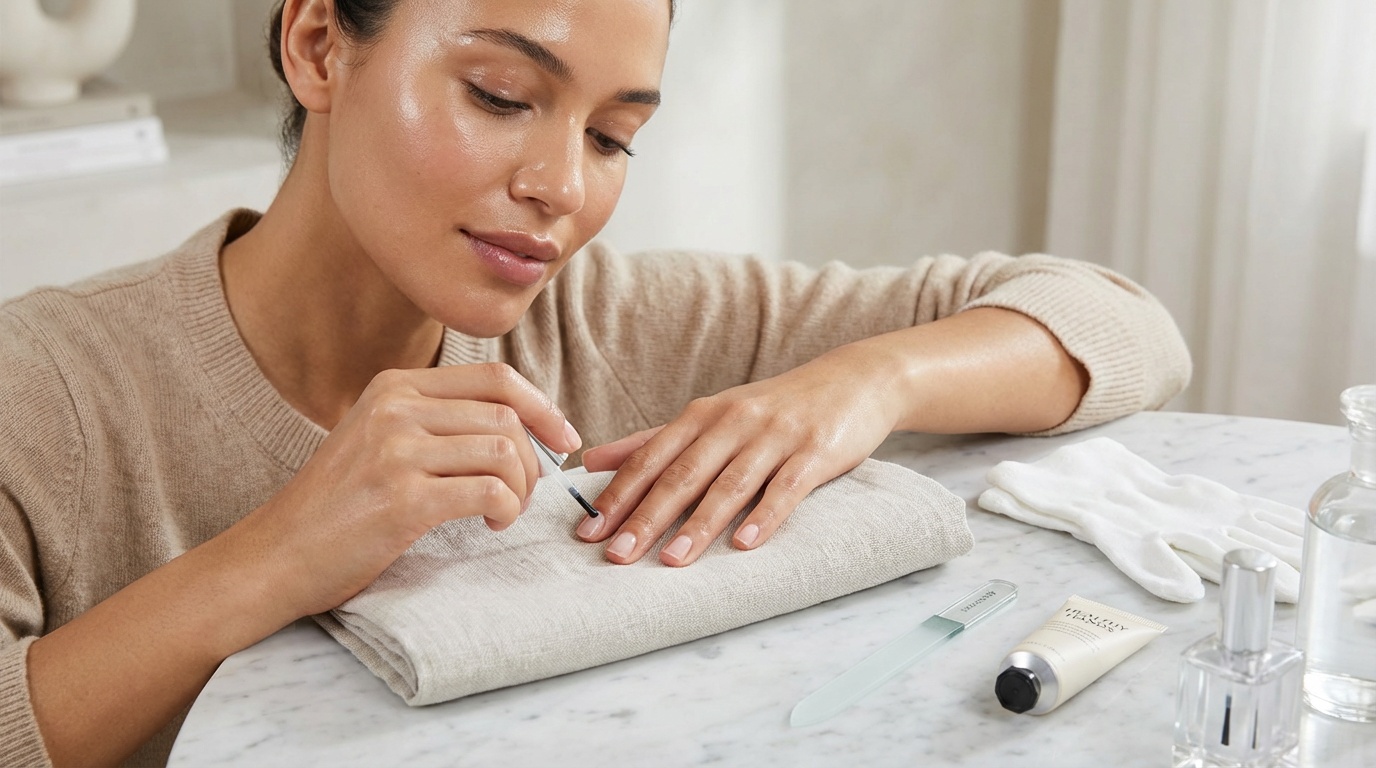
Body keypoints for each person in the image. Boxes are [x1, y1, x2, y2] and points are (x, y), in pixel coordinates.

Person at [0, 0, 1190, 764]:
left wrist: (856, 384)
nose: (562, 185)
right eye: (501, 97)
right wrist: (275, 555)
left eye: (614, 135)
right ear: (318, 45)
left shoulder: (606, 322)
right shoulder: (42, 387)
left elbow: (1118, 326)